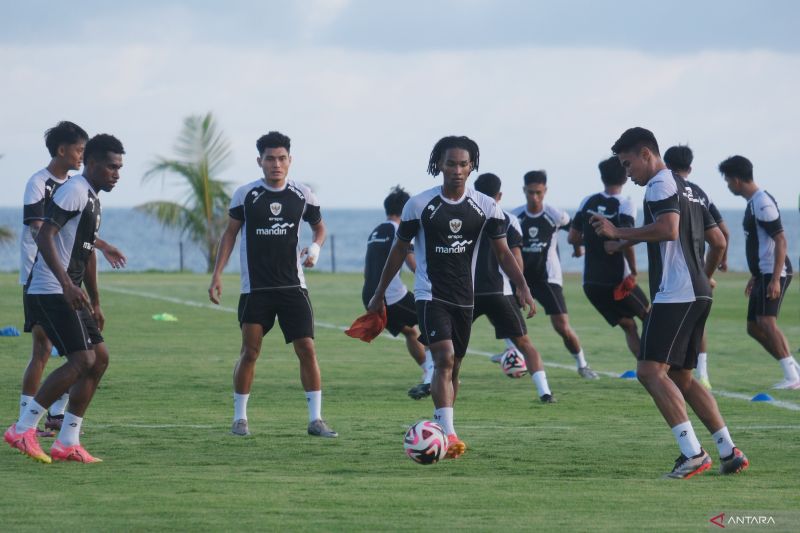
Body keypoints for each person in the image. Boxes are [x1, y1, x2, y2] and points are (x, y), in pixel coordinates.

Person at [592, 127, 748, 478]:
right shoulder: (692, 188)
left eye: (628, 163)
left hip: (676, 292)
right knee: (683, 378)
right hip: (697, 292)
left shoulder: (660, 184)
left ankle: (692, 453)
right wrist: (704, 276)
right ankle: (729, 451)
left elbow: (668, 230)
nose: (627, 172)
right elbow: (719, 241)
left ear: (646, 153)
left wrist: (619, 233)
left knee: (649, 371)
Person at [367, 136, 535, 459]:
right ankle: (450, 433)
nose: (457, 170)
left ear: (472, 166)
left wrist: (522, 286)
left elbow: (503, 253)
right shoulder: (419, 205)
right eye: (450, 163)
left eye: (463, 163)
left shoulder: (485, 206)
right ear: (438, 165)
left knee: (455, 368)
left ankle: (441, 424)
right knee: (443, 358)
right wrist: (379, 293)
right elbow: (399, 251)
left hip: (465, 298)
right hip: (430, 295)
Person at [5, 133, 125, 463]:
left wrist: (96, 300)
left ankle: (67, 440)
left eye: (120, 168)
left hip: (68, 289)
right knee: (81, 360)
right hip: (49, 288)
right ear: (93, 163)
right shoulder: (73, 191)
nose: (117, 173)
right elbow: (44, 234)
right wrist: (67, 284)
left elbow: (85, 254)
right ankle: (23, 428)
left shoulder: (91, 197)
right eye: (112, 167)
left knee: (99, 359)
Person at [209, 131, 337, 438]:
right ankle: (240, 419)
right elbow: (230, 235)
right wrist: (217, 274)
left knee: (307, 348)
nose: (276, 164)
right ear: (259, 161)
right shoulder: (246, 194)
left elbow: (319, 228)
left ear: (290, 161)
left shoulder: (303, 194)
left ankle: (316, 420)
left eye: (281, 158)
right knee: (249, 352)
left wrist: (315, 249)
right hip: (256, 289)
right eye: (269, 159)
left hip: (293, 287)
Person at [473, 173, 554, 403]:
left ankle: (436, 382)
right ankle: (545, 392)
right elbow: (516, 257)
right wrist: (521, 287)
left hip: (468, 293)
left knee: (451, 346)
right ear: (499, 195)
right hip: (501, 292)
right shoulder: (509, 219)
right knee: (525, 344)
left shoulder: (464, 216)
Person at [719, 155, 798, 389]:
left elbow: (781, 240)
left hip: (774, 272)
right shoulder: (753, 202)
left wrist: (774, 279)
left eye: (727, 181)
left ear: (736, 180)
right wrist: (754, 275)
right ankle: (794, 368)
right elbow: (761, 243)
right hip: (762, 273)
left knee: (766, 322)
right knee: (753, 327)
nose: (727, 186)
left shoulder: (762, 203)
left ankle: (792, 377)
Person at [512, 170, 598, 379]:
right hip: (521, 277)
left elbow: (577, 231)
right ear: (524, 191)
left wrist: (578, 249)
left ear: (545, 191)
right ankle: (511, 353)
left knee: (562, 326)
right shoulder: (516, 216)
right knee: (508, 320)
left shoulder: (555, 215)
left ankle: (582, 364)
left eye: (538, 193)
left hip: (547, 278)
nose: (534, 197)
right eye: (530, 192)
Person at [568, 157, 649, 359]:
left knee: (629, 326)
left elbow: (573, 237)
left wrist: (586, 246)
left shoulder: (588, 201)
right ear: (624, 177)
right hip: (617, 281)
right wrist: (634, 269)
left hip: (591, 284)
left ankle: (645, 369)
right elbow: (627, 237)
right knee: (649, 316)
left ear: (602, 177)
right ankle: (658, 368)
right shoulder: (625, 204)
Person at [664, 145, 730, 389]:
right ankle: (702, 373)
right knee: (697, 326)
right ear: (690, 168)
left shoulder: (666, 189)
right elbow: (723, 234)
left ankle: (671, 374)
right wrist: (713, 269)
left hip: (676, 276)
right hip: (698, 272)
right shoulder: (700, 193)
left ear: (665, 166)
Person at [362, 186, 434, 400]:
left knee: (411, 332)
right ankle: (433, 377)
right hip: (391, 296)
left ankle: (427, 371)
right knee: (432, 321)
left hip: (369, 295)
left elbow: (368, 268)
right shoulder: (399, 230)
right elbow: (411, 262)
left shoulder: (376, 231)